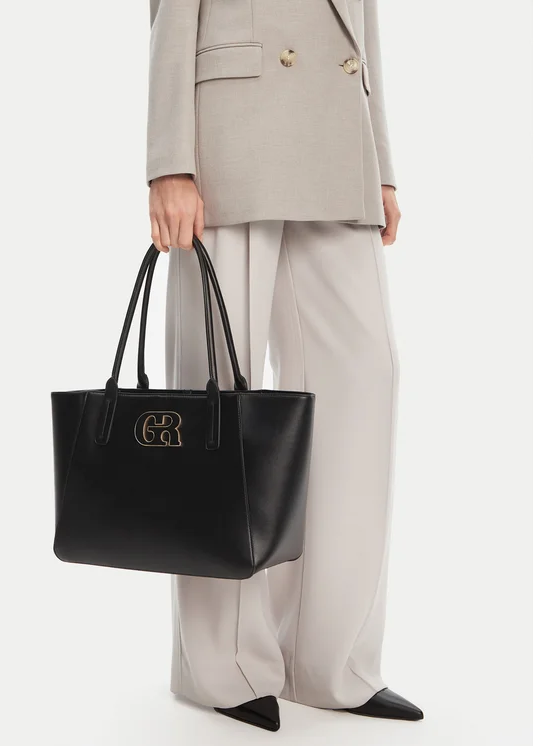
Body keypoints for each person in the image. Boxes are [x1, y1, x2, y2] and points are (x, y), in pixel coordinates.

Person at [146, 0, 423, 732]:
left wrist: (379, 162)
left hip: (337, 143)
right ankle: (221, 664)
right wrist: (170, 162)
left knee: (365, 382)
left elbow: (361, 21)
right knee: (217, 400)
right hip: (229, 138)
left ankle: (327, 660)